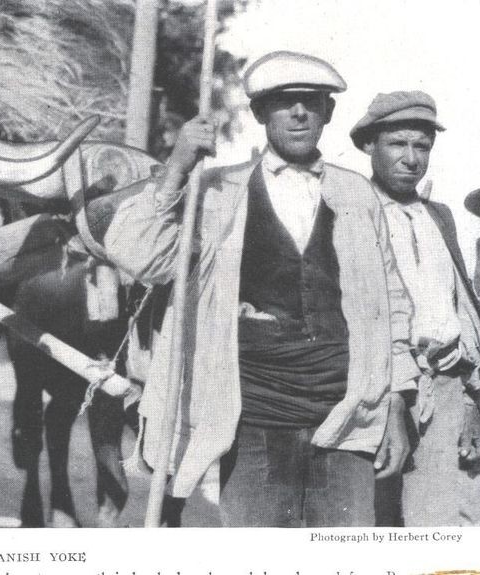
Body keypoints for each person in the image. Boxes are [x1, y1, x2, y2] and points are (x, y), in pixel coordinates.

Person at [90, 51, 418, 527]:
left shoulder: (356, 195)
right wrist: (179, 163)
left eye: (311, 101)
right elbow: (139, 253)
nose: (299, 112)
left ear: (328, 112)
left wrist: (395, 402)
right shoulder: (218, 191)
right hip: (254, 420)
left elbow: (393, 306)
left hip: (349, 418)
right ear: (261, 113)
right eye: (284, 102)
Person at [351, 91, 480, 526]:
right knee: (372, 523)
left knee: (439, 524)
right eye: (397, 144)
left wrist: (472, 403)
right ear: (370, 144)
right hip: (374, 390)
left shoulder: (439, 217)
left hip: (444, 390)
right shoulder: (349, 211)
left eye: (421, 146)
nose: (411, 158)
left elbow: (462, 313)